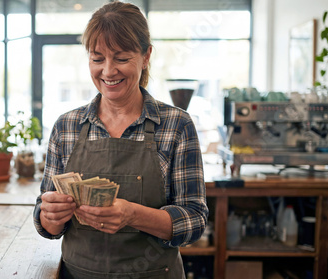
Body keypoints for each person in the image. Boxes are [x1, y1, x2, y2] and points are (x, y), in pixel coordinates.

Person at [33, 2, 208, 278]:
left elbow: (195, 221)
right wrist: (50, 215)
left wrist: (132, 215)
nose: (108, 71)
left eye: (122, 58)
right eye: (97, 58)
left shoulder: (176, 125)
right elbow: (48, 225)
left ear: (146, 55)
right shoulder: (66, 126)